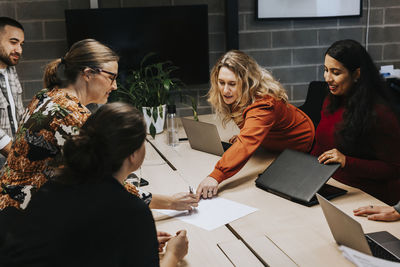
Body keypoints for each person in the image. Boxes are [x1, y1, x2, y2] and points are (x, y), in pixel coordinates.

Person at [0, 38, 197, 211]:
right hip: (26, 219)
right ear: (87, 74)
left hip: (10, 207)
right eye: (111, 77)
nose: (115, 86)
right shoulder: (71, 115)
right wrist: (170, 203)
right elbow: (106, 181)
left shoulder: (47, 95)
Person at [0, 102, 189, 266]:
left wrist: (134, 242)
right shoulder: (132, 211)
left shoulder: (53, 187)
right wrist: (174, 253)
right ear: (133, 154)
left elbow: (77, 243)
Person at [196, 50, 315, 199]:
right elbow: (250, 128)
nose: (225, 90)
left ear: (247, 82)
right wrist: (247, 132)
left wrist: (215, 176)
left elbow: (246, 143)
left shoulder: (264, 104)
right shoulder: (237, 95)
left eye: (232, 84)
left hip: (297, 148)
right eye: (221, 82)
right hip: (269, 147)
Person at [311, 39, 400, 205]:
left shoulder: (380, 113)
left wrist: (347, 162)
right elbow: (321, 145)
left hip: (368, 196)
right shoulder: (332, 100)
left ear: (357, 74)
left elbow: (394, 169)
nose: (327, 78)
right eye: (325, 70)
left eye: (336, 73)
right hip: (332, 185)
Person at [0, 17, 25, 166]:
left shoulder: (10, 69)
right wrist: (19, 159)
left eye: (21, 44)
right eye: (13, 42)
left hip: (9, 165)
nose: (19, 50)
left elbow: (18, 115)